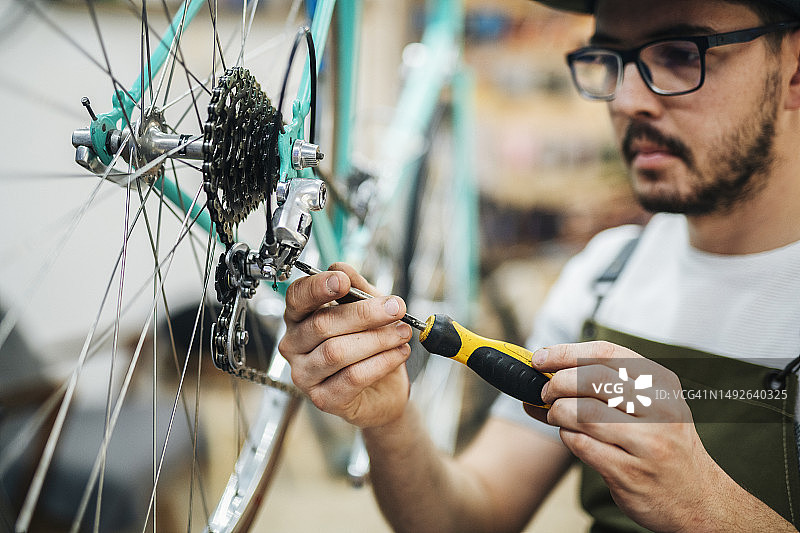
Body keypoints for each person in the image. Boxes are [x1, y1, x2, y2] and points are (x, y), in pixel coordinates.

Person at [278, 0, 800, 530]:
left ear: (795, 68)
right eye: (610, 58)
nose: (626, 99)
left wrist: (704, 503)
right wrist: (390, 419)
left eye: (681, 55)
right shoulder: (605, 278)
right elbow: (469, 519)